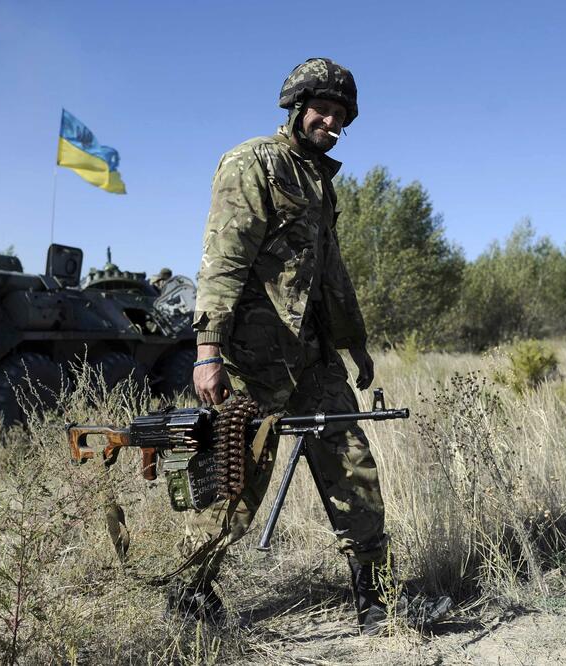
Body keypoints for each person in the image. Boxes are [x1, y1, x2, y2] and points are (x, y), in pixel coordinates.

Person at [186, 58, 450, 634]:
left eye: (341, 115)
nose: (331, 121)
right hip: (252, 362)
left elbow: (331, 272)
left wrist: (353, 344)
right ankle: (191, 590)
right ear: (297, 108)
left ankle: (373, 599)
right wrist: (208, 349)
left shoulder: (320, 182)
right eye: (323, 110)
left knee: (354, 468)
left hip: (314, 361)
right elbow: (223, 259)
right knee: (236, 482)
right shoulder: (254, 162)